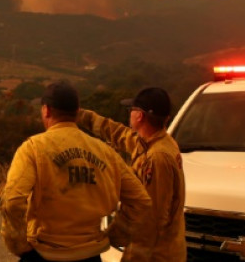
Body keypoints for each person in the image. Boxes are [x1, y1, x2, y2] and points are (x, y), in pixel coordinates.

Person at [1, 81, 154, 262]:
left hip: (44, 253)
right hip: (90, 255)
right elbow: (141, 201)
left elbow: (13, 201)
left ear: (46, 110)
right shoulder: (105, 152)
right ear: (77, 112)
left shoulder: (33, 148)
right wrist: (115, 236)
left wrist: (19, 245)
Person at [77, 87, 185, 262]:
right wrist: (80, 115)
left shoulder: (157, 157)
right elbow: (117, 133)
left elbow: (149, 219)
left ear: (140, 116)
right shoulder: (156, 142)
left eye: (131, 109)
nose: (129, 113)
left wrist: (107, 238)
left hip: (154, 255)